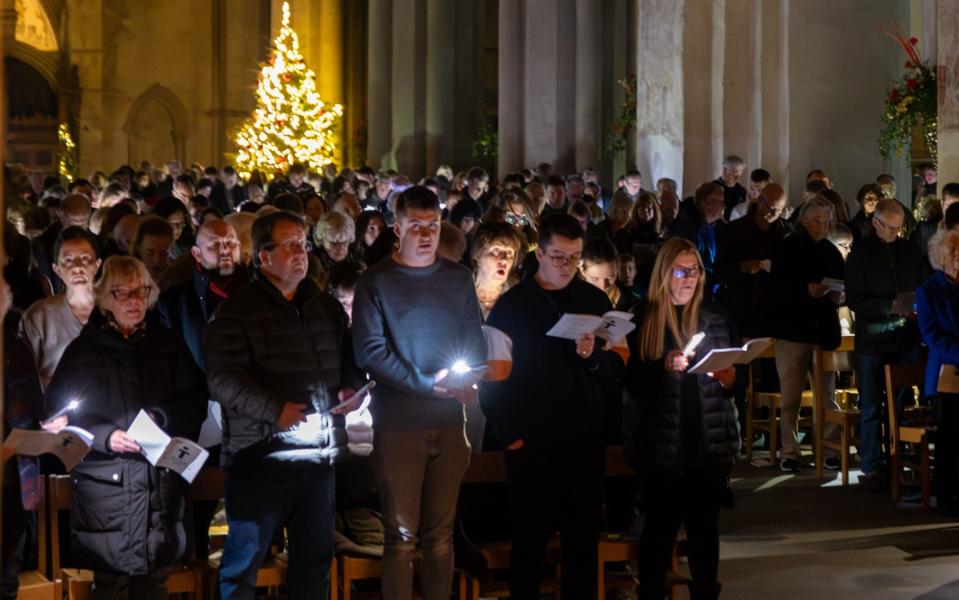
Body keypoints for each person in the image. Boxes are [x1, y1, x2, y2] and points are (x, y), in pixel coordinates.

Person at [204, 211, 361, 599]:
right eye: (289, 244)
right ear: (263, 256)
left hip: (318, 453)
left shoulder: (323, 306)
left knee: (313, 563)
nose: (300, 252)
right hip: (261, 454)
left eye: (304, 243)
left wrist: (351, 389)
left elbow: (348, 359)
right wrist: (275, 410)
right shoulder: (238, 310)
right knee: (244, 565)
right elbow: (224, 379)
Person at [352, 186, 486, 600]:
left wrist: (467, 378)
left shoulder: (458, 279)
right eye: (416, 227)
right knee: (401, 536)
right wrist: (428, 383)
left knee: (440, 536)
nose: (426, 235)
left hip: (449, 422)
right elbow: (371, 352)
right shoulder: (376, 282)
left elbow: (475, 343)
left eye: (433, 225)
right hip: (399, 425)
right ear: (397, 228)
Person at [45, 256, 207, 598]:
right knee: (111, 587)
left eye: (141, 291)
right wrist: (106, 437)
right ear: (105, 298)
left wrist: (160, 418)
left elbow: (195, 400)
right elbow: (60, 414)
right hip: (106, 489)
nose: (135, 301)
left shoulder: (167, 343)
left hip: (158, 485)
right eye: (123, 293)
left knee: (154, 585)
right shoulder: (84, 351)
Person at [480, 214, 616, 599]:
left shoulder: (595, 300)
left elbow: (616, 370)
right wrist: (512, 437)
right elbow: (492, 380)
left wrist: (594, 357)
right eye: (557, 256)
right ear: (539, 253)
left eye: (573, 258)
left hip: (584, 444)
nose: (565, 266)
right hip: (531, 447)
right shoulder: (512, 306)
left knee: (582, 548)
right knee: (529, 549)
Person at [623, 237, 738, 600]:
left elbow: (737, 380)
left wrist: (729, 377)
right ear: (663, 274)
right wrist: (663, 366)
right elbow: (632, 383)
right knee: (659, 533)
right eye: (680, 271)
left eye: (695, 271)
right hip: (663, 446)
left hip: (708, 441)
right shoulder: (645, 317)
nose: (689, 278)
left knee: (705, 534)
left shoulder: (715, 316)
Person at [845, 199, 922, 491]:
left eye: (900, 229)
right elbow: (854, 298)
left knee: (902, 403)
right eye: (890, 228)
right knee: (871, 404)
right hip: (873, 338)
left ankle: (899, 458)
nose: (895, 234)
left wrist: (915, 306)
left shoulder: (910, 250)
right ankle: (872, 464)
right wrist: (888, 306)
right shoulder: (861, 254)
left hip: (905, 337)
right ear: (876, 223)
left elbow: (922, 283)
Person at [768, 196, 845, 472]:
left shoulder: (831, 251)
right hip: (792, 330)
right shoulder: (787, 247)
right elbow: (776, 287)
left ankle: (829, 448)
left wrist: (839, 296)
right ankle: (789, 451)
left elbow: (841, 283)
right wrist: (805, 290)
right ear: (803, 220)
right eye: (816, 221)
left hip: (823, 330)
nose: (822, 226)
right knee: (791, 396)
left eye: (826, 221)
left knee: (827, 394)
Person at [20, 227, 101, 389]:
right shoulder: (39, 316)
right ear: (57, 269)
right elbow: (25, 375)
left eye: (85, 258)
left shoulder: (112, 310)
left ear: (97, 265)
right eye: (68, 260)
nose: (77, 267)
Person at [917, 229, 959, 511]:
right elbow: (933, 336)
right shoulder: (929, 290)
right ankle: (946, 496)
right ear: (944, 259)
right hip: (946, 373)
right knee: (951, 437)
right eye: (955, 255)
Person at [716, 183, 789, 340]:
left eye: (780, 210)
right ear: (760, 201)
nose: (774, 214)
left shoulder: (785, 233)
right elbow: (720, 269)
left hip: (774, 310)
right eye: (772, 208)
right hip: (742, 307)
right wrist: (741, 267)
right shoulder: (734, 230)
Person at [715, 155, 747, 219]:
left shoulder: (742, 191)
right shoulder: (712, 188)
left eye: (739, 175)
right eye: (734, 175)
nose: (737, 179)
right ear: (725, 170)